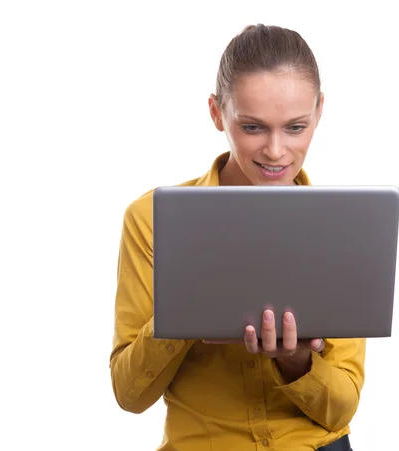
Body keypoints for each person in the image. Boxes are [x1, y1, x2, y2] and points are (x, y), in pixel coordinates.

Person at [109, 24, 366, 451]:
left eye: (296, 127)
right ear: (216, 113)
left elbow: (342, 410)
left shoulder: (343, 228)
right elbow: (129, 395)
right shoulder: (151, 219)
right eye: (253, 128)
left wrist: (296, 360)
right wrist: (187, 307)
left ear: (319, 112)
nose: (276, 151)